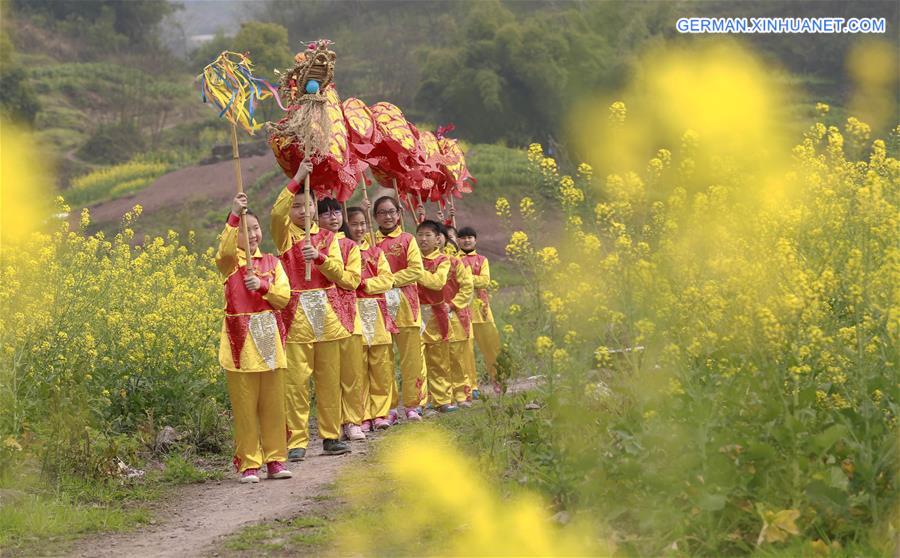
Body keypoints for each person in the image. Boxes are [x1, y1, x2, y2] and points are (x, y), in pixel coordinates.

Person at [271, 161, 352, 459]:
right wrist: (298, 178)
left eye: (308, 205)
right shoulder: (284, 237)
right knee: (295, 382)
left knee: (330, 379)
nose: (303, 211)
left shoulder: (330, 240)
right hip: (295, 318)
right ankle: (297, 441)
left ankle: (331, 436)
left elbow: (342, 277)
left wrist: (319, 258)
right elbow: (276, 213)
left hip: (327, 316)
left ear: (317, 207)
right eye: (297, 206)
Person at [216, 193, 293, 483]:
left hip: (269, 338)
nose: (252, 234)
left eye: (255, 228)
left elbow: (284, 297)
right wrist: (235, 213)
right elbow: (223, 252)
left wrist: (261, 285)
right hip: (240, 342)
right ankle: (249, 462)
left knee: (273, 403)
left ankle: (275, 458)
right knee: (245, 406)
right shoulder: (229, 264)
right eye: (244, 230)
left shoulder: (273, 262)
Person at [373, 196, 426, 422]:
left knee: (411, 358)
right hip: (379, 307)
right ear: (375, 216)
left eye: (391, 212)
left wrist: (387, 281)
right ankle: (388, 408)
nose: (387, 217)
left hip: (406, 306)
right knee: (382, 360)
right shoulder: (369, 242)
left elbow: (416, 270)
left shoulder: (407, 239)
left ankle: (414, 404)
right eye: (382, 213)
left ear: (399, 214)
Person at [317, 197, 365, 441]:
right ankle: (331, 424)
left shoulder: (349, 247)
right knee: (327, 376)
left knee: (351, 373)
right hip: (321, 319)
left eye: (336, 212)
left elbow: (352, 280)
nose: (333, 217)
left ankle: (353, 420)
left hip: (347, 314)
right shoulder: (308, 245)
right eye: (326, 213)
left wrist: (326, 268)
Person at [346, 206, 397, 430]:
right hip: (354, 311)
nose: (358, 228)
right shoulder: (343, 251)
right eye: (354, 224)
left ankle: (381, 412)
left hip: (376, 311)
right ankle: (362, 414)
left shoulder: (376, 252)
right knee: (358, 367)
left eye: (362, 224)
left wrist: (365, 284)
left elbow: (387, 280)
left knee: (380, 366)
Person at [415, 219, 456, 412]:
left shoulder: (443, 260)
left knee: (439, 359)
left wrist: (415, 272)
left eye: (428, 235)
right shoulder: (412, 258)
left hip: (436, 313)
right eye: (420, 235)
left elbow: (438, 282)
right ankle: (419, 402)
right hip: (414, 311)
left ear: (438, 239)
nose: (423, 239)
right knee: (417, 359)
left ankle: (442, 399)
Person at [458, 226, 500, 397]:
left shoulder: (482, 260)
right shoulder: (453, 259)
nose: (467, 240)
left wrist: (465, 277)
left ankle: (497, 380)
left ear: (475, 240)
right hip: (462, 311)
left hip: (482, 311)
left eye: (470, 237)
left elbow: (484, 281)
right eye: (463, 238)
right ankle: (471, 386)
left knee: (491, 347)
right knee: (466, 351)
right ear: (458, 240)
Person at [440, 232, 475, 407]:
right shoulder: (421, 264)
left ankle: (461, 394)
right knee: (436, 358)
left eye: (438, 236)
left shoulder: (455, 263)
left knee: (457, 357)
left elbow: (467, 287)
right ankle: (440, 397)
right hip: (431, 317)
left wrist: (452, 305)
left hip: (453, 314)